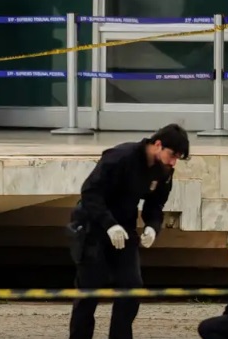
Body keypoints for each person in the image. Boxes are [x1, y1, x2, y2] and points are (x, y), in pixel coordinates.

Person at [67, 123, 190, 339]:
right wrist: (108, 224)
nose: (173, 162)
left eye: (178, 158)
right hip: (92, 225)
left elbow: (155, 205)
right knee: (89, 292)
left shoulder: (163, 171)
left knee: (131, 287)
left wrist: (152, 226)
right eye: (172, 155)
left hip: (124, 228)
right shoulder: (120, 157)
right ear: (158, 144)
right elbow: (90, 192)